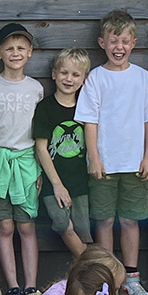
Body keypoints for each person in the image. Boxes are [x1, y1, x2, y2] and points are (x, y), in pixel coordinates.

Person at [75, 10, 148, 295]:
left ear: (133, 43)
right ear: (102, 42)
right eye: (113, 41)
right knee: (104, 220)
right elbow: (90, 122)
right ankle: (106, 279)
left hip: (135, 164)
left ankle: (131, 279)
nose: (119, 47)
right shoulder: (96, 78)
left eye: (124, 41)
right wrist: (94, 158)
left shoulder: (142, 78)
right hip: (105, 165)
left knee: (130, 220)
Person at [0, 22, 44, 295]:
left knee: (26, 226)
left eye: (21, 48)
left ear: (30, 52)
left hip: (27, 162)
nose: (15, 53)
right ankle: (13, 287)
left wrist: (40, 170)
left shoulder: (36, 88)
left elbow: (42, 133)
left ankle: (31, 286)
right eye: (9, 48)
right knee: (4, 226)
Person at [32, 47, 92, 262]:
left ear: (84, 79)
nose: (69, 79)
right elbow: (41, 147)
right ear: (54, 74)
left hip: (80, 180)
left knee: (84, 230)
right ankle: (93, 268)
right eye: (64, 73)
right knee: (61, 223)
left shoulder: (87, 108)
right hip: (53, 179)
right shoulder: (45, 108)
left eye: (76, 74)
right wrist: (56, 184)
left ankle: (87, 275)